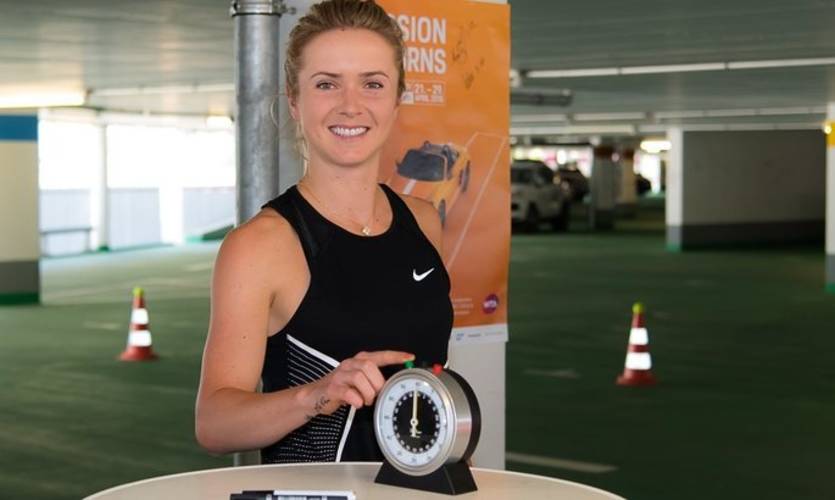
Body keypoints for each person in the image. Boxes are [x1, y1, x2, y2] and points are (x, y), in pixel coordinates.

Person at [195, 0, 454, 464]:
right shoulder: (260, 246)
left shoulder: (423, 221)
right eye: (326, 84)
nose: (351, 106)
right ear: (294, 101)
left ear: (397, 99)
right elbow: (214, 423)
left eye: (372, 84)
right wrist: (317, 394)